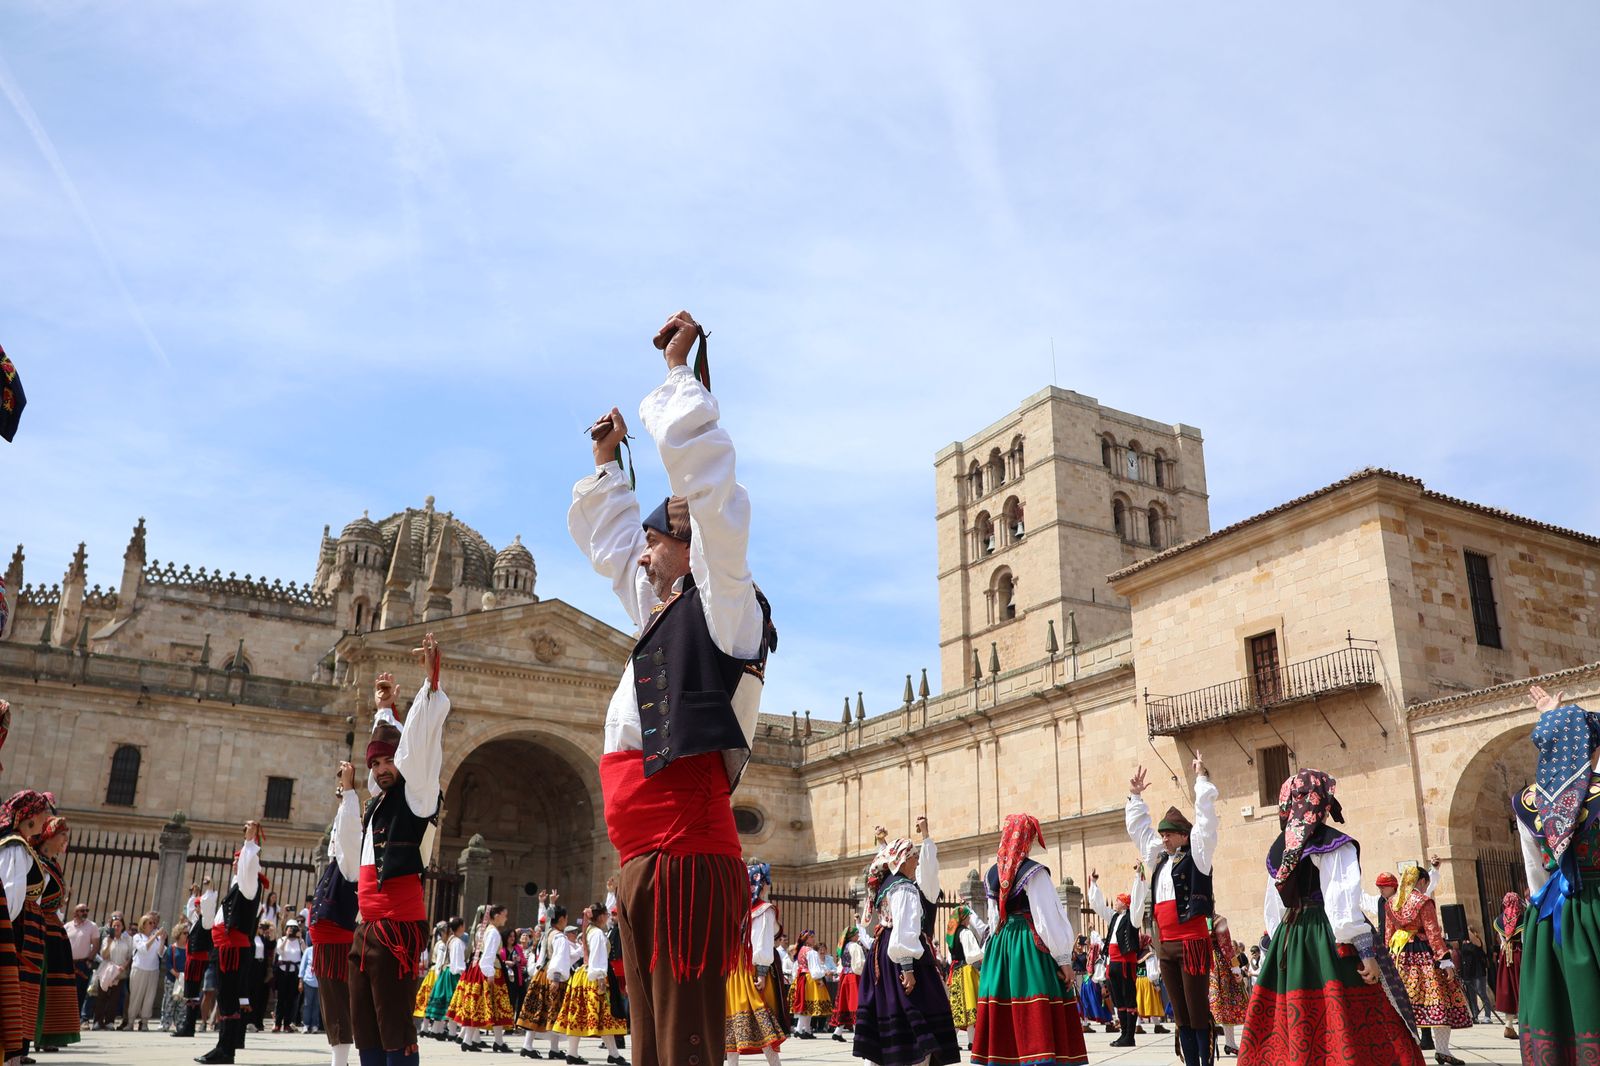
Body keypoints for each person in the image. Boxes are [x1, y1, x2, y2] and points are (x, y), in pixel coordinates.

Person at [568, 310, 777, 1066]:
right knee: (652, 1048)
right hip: (646, 861)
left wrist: (679, 380)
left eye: (658, 542)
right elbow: (618, 548)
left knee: (685, 1047)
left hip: (686, 857)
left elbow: (717, 506)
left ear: (690, 553)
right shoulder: (665, 615)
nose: (643, 555)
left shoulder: (727, 611)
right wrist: (606, 464)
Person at [1239, 768, 1422, 1065]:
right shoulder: (1334, 844)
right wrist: (1366, 952)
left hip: (1290, 938)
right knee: (1357, 1020)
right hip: (1328, 938)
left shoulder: (1279, 849)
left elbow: (1273, 912)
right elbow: (1342, 911)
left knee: (1292, 1025)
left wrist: (1280, 946)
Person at [332, 633, 449, 1066]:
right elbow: (389, 749)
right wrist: (383, 709)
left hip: (396, 927)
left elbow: (417, 747)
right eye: (375, 764)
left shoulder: (416, 794)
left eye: (388, 762)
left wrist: (428, 685)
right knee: (365, 1024)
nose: (382, 769)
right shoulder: (374, 806)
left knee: (393, 1025)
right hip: (367, 927)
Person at [1513, 685, 1600, 1065]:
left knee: (1562, 1010)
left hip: (1551, 917)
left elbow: (1535, 873)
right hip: (1596, 909)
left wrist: (1553, 720)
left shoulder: (1527, 802)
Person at [970, 812, 1087, 1066]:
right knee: (1035, 1000)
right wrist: (1064, 959)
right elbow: (1047, 917)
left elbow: (994, 919)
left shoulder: (992, 874)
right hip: (1028, 943)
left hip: (1001, 946)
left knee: (1005, 1004)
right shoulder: (1034, 872)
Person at [1127, 755, 1218, 1066]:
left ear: (1184, 835)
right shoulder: (1160, 861)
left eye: (1169, 834)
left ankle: (1205, 1061)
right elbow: (1141, 833)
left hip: (1192, 943)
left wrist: (1201, 780)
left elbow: (1206, 823)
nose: (1163, 838)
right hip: (1165, 946)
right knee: (1179, 1011)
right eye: (1162, 833)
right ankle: (1191, 1062)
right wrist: (1136, 797)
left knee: (1196, 1008)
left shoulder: (1198, 856)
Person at [852, 818, 959, 1066]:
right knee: (920, 1015)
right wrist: (908, 969)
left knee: (887, 1012)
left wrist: (885, 842)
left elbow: (889, 861)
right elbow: (904, 929)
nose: (917, 862)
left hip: (883, 955)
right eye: (914, 858)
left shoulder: (888, 884)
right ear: (904, 860)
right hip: (903, 956)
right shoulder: (906, 889)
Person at [1385, 863, 1472, 1064]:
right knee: (1441, 1001)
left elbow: (1388, 935)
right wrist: (1445, 960)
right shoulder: (1423, 901)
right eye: (1426, 883)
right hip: (1423, 955)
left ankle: (1407, 1052)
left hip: (1399, 956)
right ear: (1421, 881)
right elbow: (1433, 933)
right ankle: (1443, 1050)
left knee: (1404, 1004)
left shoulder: (1391, 903)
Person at [195, 821, 266, 1065]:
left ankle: (226, 1049)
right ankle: (225, 1046)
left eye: (238, 860)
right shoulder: (239, 886)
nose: (235, 863)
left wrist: (250, 840)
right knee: (227, 998)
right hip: (226, 949)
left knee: (228, 998)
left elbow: (248, 863)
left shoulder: (248, 883)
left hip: (232, 950)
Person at [0, 789, 52, 1061]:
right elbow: (9, 894)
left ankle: (16, 1052)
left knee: (23, 993)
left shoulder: (23, 846)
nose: (46, 818)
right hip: (17, 931)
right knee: (13, 991)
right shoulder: (14, 847)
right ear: (29, 817)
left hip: (25, 930)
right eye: (43, 812)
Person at [553, 903, 627, 1065]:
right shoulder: (597, 934)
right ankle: (612, 1054)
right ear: (601, 916)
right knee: (605, 1015)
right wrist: (601, 979)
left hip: (582, 976)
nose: (608, 917)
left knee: (579, 1014)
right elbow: (598, 958)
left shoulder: (589, 931)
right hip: (594, 977)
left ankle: (575, 1053)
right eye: (606, 914)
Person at [309, 828, 358, 1066]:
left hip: (337, 949)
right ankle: (340, 1061)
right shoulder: (335, 866)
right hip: (327, 949)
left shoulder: (348, 863)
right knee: (331, 1005)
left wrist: (348, 795)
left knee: (337, 1005)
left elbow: (349, 826)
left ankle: (339, 1063)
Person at [1088, 865, 1148, 1048]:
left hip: (1125, 963)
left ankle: (1130, 1036)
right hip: (1113, 963)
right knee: (1118, 1000)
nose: (1114, 902)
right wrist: (1094, 883)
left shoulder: (1133, 917)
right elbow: (1098, 905)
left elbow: (1138, 900)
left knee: (1129, 998)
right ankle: (1123, 1034)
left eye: (1118, 900)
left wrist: (1138, 876)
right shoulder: (1114, 917)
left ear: (1126, 903)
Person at [32, 817, 78, 1050]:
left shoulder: (53, 865)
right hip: (41, 928)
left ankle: (49, 1035)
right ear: (49, 836)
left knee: (55, 983)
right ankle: (35, 1034)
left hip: (54, 931)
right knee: (41, 982)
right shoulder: (37, 862)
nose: (65, 840)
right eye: (62, 835)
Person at [453, 904, 515, 1052]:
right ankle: (479, 1041)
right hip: (491, 971)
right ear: (497, 915)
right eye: (504, 915)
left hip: (484, 970)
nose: (506, 918)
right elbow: (487, 956)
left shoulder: (485, 929)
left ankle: (475, 1040)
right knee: (493, 1006)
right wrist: (490, 973)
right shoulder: (493, 932)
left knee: (485, 1006)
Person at [518, 905, 573, 1059]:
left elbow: (541, 956)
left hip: (541, 974)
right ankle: (552, 1049)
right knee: (554, 1012)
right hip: (553, 977)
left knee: (537, 1010)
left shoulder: (547, 934)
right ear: (561, 919)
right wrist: (556, 978)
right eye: (566, 918)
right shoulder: (560, 937)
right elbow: (558, 959)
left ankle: (530, 1046)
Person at [173, 879, 217, 1039]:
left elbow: (210, 901)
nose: (196, 908)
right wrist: (195, 894)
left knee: (192, 993)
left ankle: (189, 1026)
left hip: (198, 961)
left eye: (198, 906)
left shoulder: (206, 921)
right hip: (193, 960)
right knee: (190, 992)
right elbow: (190, 907)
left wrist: (210, 888)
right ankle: (188, 1025)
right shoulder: (197, 921)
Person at [1206, 917, 1249, 1057]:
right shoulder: (1219, 920)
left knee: (1209, 1005)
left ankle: (1207, 1043)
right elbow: (1227, 948)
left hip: (1203, 962)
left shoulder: (1197, 919)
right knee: (1226, 1004)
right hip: (1220, 965)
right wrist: (1236, 969)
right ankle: (1230, 1043)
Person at [944, 906, 982, 1048]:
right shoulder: (965, 933)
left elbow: (949, 959)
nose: (969, 919)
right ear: (964, 918)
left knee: (958, 1007)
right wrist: (983, 955)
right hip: (967, 971)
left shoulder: (951, 935)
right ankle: (972, 1041)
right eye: (968, 916)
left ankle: (952, 1041)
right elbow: (972, 955)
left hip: (955, 972)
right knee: (971, 1004)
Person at [425, 918, 467, 1039]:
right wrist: (462, 973)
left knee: (444, 1001)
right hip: (452, 973)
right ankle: (452, 1032)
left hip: (446, 971)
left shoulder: (450, 940)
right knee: (452, 1002)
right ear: (460, 927)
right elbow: (457, 961)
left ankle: (436, 1030)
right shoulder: (457, 942)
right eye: (463, 925)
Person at [93, 913, 133, 1031]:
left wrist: (123, 967)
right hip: (107, 971)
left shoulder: (128, 940)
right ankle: (97, 1021)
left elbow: (129, 956)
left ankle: (110, 1021)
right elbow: (104, 956)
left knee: (114, 998)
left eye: (118, 926)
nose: (116, 928)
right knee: (102, 996)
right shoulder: (106, 939)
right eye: (114, 926)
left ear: (122, 927)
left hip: (120, 972)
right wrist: (110, 942)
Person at [787, 930, 831, 1037]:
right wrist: (824, 973)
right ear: (806, 938)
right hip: (809, 979)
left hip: (801, 978)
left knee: (807, 1005)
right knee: (807, 1005)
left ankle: (806, 1030)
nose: (814, 939)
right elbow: (814, 970)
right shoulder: (811, 951)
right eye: (811, 937)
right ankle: (799, 1030)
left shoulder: (801, 950)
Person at [1490, 898, 1522, 1041]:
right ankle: (1524, 1025)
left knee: (1508, 988)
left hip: (1505, 957)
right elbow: (1524, 939)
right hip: (1519, 954)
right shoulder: (1522, 918)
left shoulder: (1499, 920)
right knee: (1521, 987)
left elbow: (1502, 941)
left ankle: (1509, 1025)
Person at [828, 921, 866, 1042]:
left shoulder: (844, 947)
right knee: (855, 1003)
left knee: (845, 1003)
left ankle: (837, 1032)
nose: (858, 936)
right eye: (857, 934)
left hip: (845, 976)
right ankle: (857, 1034)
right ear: (852, 936)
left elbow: (842, 964)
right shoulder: (855, 946)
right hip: (854, 976)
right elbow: (859, 964)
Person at [128, 913, 166, 1030]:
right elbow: (143, 949)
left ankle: (144, 1022)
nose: (153, 925)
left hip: (153, 970)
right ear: (143, 925)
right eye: (150, 923)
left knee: (149, 997)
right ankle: (130, 1022)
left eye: (153, 923)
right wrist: (154, 937)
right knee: (136, 996)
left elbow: (161, 953)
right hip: (139, 969)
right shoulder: (137, 937)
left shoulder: (157, 938)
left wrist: (162, 940)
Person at [65, 903, 97, 1021]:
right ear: (75, 913)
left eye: (86, 910)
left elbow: (96, 945)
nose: (85, 913)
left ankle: (76, 1018)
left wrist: (90, 960)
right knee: (67, 992)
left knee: (80, 992)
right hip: (68, 964)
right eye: (82, 910)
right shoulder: (67, 926)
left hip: (83, 964)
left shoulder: (92, 926)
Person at [1455, 927, 1492, 1027]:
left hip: (1478, 971)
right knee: (1471, 995)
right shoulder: (1463, 942)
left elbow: (1476, 942)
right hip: (1468, 972)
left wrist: (1468, 929)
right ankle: (1475, 1015)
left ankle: (1487, 1015)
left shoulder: (1477, 941)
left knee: (1481, 992)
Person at [273, 919, 304, 1032]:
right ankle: (277, 1023)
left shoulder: (299, 941)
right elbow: (279, 952)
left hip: (294, 972)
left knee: (291, 999)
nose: (291, 930)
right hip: (282, 971)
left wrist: (300, 939)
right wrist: (286, 938)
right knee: (281, 999)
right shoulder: (281, 940)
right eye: (289, 928)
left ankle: (287, 1024)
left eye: (293, 928)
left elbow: (304, 953)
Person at [300, 939, 322, 1035]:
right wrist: (300, 981)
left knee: (317, 1005)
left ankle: (314, 1025)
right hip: (309, 980)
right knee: (307, 1004)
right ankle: (306, 1024)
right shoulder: (308, 950)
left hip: (320, 982)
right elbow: (303, 966)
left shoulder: (322, 950)